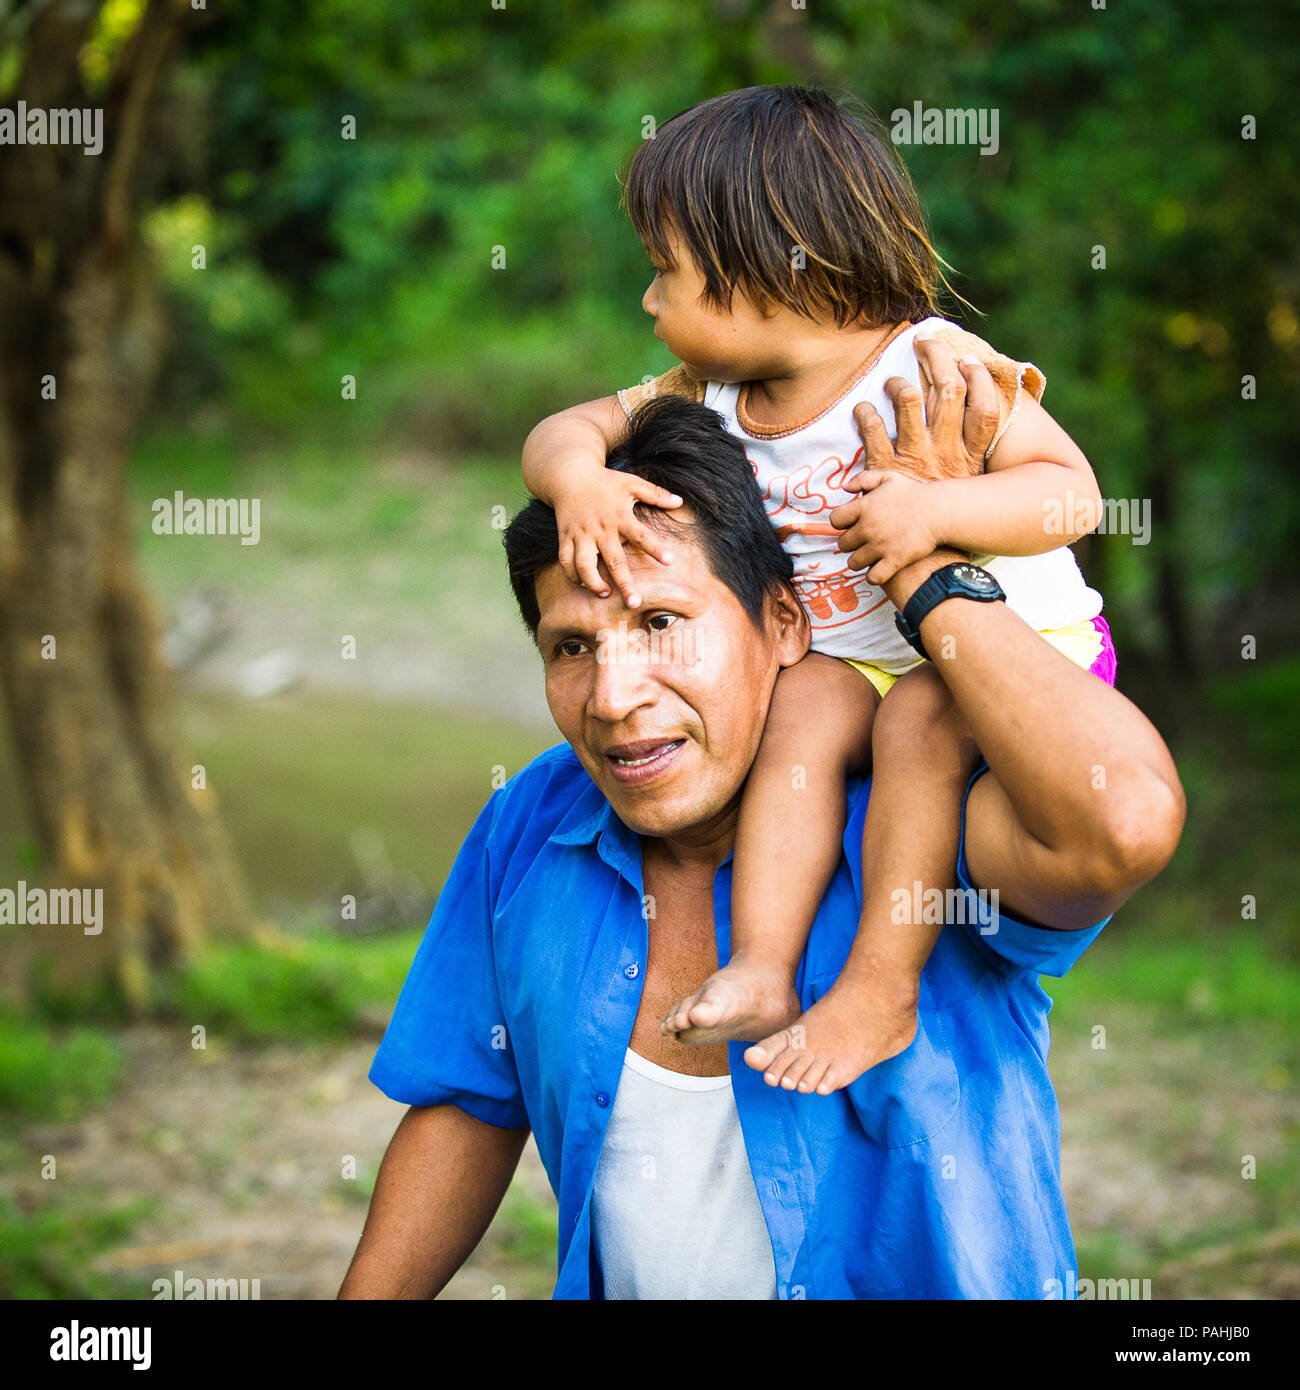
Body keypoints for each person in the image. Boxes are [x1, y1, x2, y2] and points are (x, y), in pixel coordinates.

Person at [340, 368, 1184, 1299]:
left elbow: (1125, 824)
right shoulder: (532, 821)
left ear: (784, 621)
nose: (614, 701)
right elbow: (468, 1106)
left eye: (662, 622)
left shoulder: (924, 811)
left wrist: (928, 568)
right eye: (571, 647)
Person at [521, 85, 1115, 1095]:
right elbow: (560, 430)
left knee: (923, 726)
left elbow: (1072, 498)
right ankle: (761, 962)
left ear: (772, 261)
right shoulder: (704, 394)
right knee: (805, 707)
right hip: (862, 663)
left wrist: (936, 518)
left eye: (667, 271)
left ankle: (881, 988)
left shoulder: (927, 362)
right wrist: (577, 477)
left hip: (1017, 649)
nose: (649, 302)